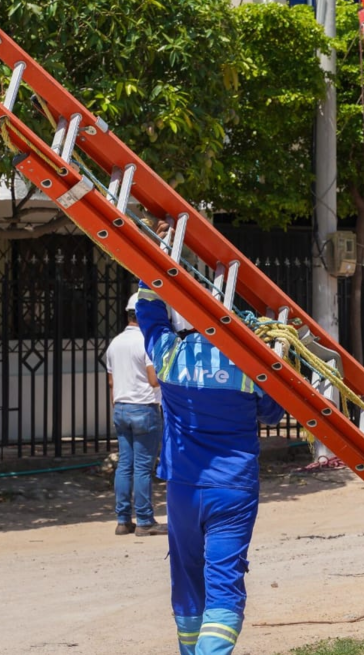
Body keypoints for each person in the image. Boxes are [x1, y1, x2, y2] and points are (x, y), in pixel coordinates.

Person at [134, 281, 285, 655]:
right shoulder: (252, 365)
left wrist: (148, 277)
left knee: (186, 580)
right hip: (233, 489)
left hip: (183, 489)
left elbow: (149, 314)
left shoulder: (170, 354)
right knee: (224, 583)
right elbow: (273, 413)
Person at [105, 293, 166, 537]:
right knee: (143, 468)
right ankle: (144, 520)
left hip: (121, 408)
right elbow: (153, 380)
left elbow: (111, 382)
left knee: (124, 466)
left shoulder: (115, 343)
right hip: (144, 408)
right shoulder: (146, 341)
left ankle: (122, 520)